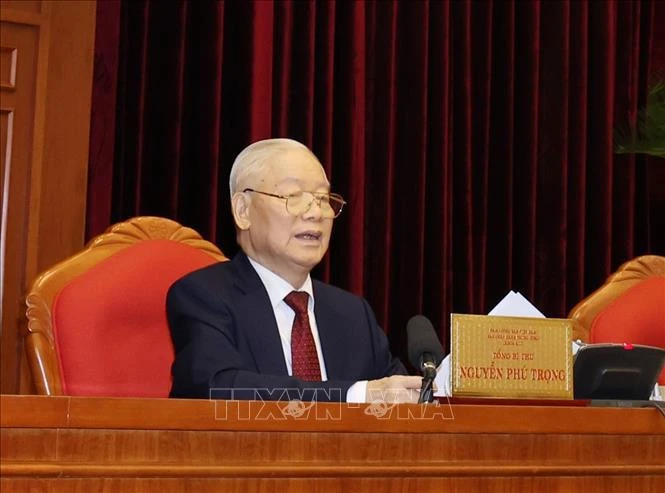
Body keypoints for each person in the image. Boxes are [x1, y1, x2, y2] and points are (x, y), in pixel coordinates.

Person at [167, 138, 422, 402]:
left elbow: (395, 393)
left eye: (324, 199)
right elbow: (216, 386)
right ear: (243, 210)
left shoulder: (353, 313)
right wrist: (354, 395)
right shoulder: (203, 296)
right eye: (293, 196)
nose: (316, 213)